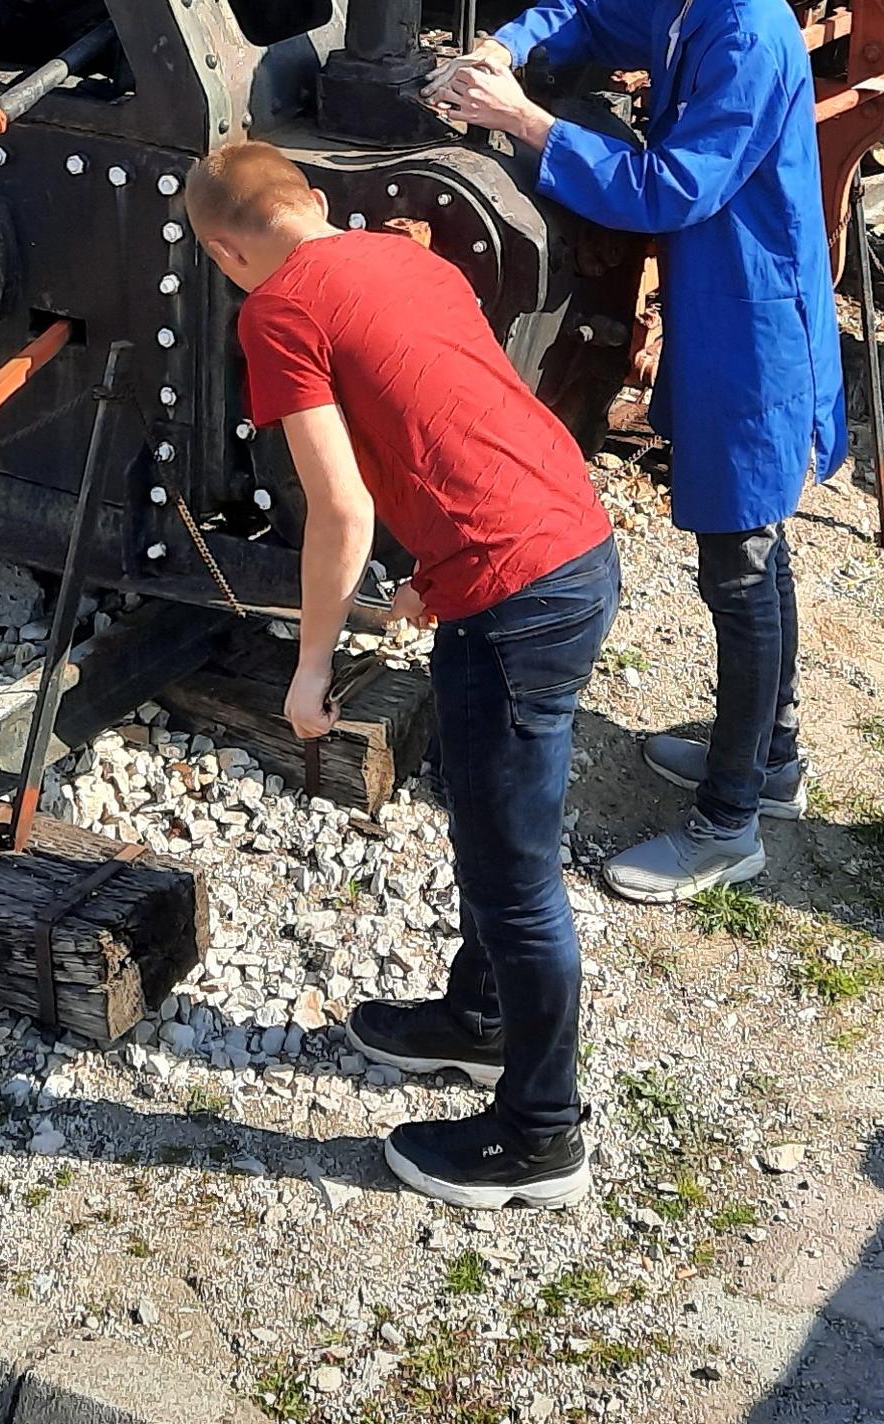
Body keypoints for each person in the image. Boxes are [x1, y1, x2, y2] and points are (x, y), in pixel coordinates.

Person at [188, 140, 620, 1211]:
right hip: (568, 541)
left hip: (518, 597)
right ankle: (479, 1020)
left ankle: (541, 1134)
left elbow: (340, 509)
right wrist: (432, 566)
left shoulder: (275, 310)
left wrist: (313, 666)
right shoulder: (407, 259)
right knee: (486, 824)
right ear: (316, 202)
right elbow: (444, 415)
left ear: (224, 251)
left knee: (518, 878)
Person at [435, 0, 843, 901]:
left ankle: (730, 821)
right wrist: (505, 49)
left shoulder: (745, 32)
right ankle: (774, 755)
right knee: (750, 547)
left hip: (750, 319)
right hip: (718, 303)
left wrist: (525, 125)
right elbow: (581, 11)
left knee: (740, 564)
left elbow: (674, 188)